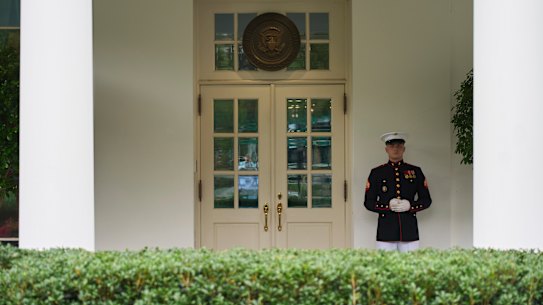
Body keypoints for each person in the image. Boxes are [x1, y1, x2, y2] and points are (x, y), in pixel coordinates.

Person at [364, 132, 432, 252]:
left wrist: (411, 206)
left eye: (399, 146)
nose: (395, 149)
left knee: (411, 267)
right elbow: (368, 202)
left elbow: (426, 200)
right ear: (386, 149)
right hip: (386, 230)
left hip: (409, 230)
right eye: (392, 146)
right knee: (385, 268)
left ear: (404, 149)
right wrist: (387, 206)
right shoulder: (377, 173)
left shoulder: (415, 171)